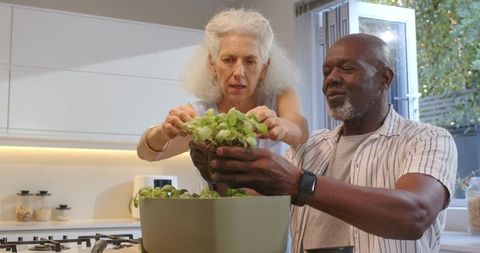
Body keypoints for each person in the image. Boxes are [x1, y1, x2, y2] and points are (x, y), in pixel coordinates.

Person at [189, 33, 458, 253]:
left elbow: (414, 214)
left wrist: (300, 184)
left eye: (347, 69)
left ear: (384, 79)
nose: (331, 79)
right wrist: (217, 174)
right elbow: (256, 211)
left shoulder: (427, 139)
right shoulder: (310, 145)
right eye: (326, 71)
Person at [137, 8, 308, 162]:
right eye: (229, 60)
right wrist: (164, 130)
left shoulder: (280, 98)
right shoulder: (201, 116)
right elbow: (146, 154)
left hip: (276, 198)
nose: (239, 72)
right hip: (215, 199)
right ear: (212, 65)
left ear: (264, 68)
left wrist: (280, 126)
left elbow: (300, 132)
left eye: (250, 61)